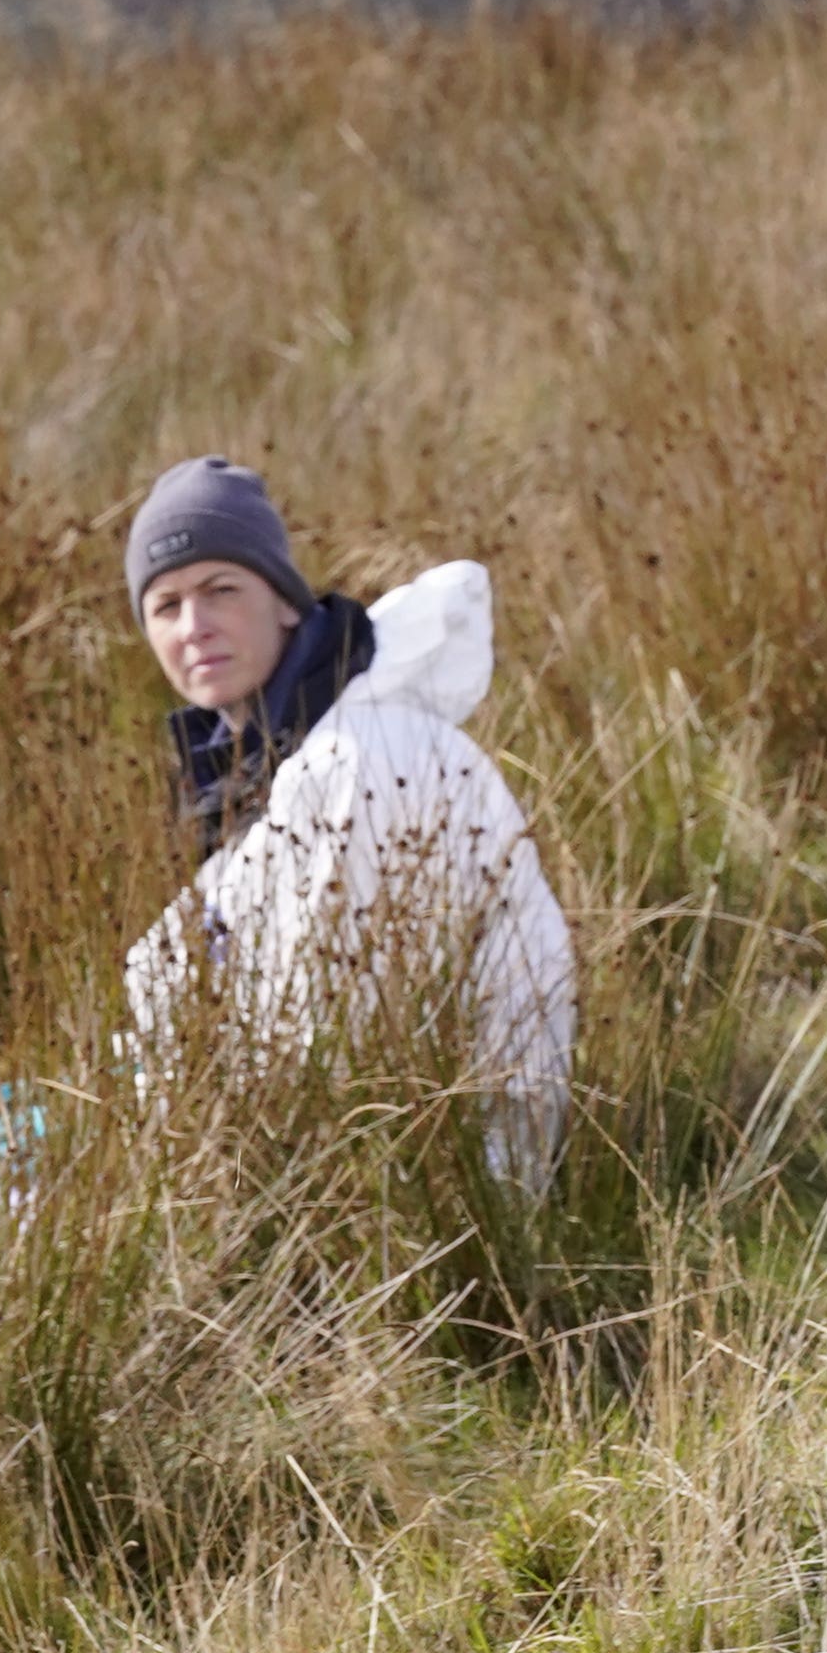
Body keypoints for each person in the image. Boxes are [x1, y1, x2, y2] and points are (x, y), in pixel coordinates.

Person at [117, 456, 576, 1192]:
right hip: (339, 1177)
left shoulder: (364, 759)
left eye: (221, 590)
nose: (194, 626)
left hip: (439, 1200)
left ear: (288, 604)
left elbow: (327, 1048)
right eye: (166, 605)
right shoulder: (253, 781)